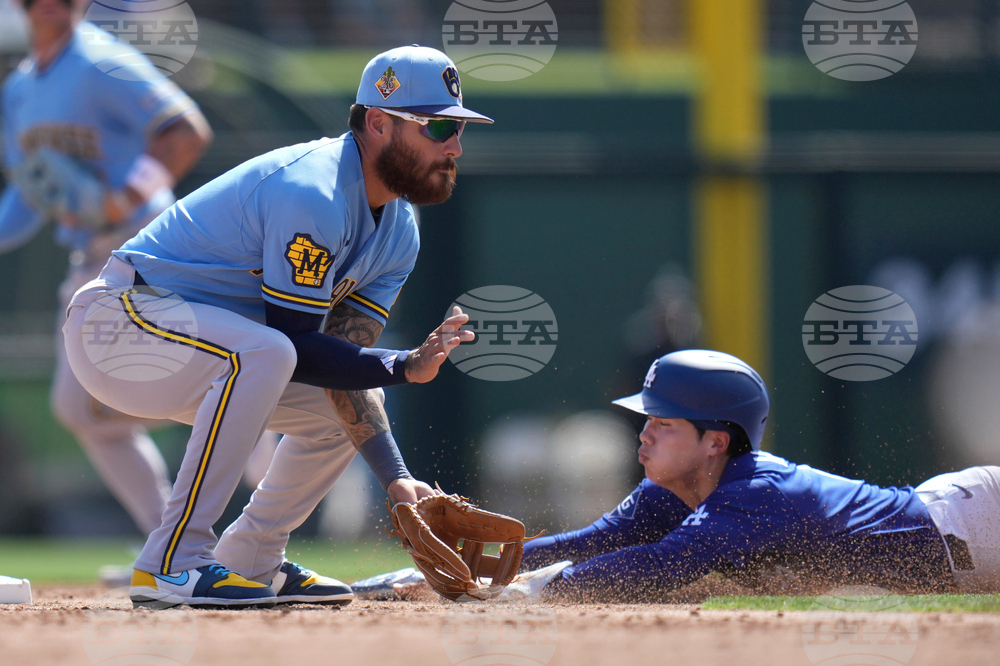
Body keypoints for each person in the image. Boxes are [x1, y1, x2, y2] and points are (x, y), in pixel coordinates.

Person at [63, 44, 489, 609]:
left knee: (342, 411)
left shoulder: (399, 233)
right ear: (379, 123)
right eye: (436, 126)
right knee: (269, 352)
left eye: (458, 127)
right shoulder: (313, 189)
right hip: (118, 323)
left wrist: (397, 478)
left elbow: (338, 363)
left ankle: (253, 557)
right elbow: (295, 342)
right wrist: (403, 365)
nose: (454, 145)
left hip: (202, 350)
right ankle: (172, 560)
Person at [358, 350, 1000, 601]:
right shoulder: (674, 487)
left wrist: (516, 593)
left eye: (663, 423)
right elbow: (594, 543)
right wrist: (459, 572)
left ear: (715, 441)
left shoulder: (755, 495)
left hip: (976, 525)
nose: (643, 433)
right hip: (954, 525)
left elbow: (656, 566)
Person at [0, 0, 214, 537]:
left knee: (110, 400)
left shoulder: (101, 60)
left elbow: (185, 131)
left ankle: (242, 415)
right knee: (79, 409)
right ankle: (172, 544)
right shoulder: (19, 90)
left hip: (148, 246)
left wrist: (125, 198)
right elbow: (28, 194)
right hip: (93, 258)